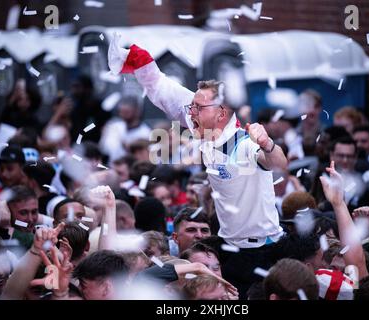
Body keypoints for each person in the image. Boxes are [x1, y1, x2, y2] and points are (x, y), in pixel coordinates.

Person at [109, 38, 287, 297]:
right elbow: (161, 87)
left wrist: (268, 143)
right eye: (192, 105)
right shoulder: (201, 121)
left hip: (263, 250)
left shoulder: (243, 144)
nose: (190, 112)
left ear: (221, 114)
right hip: (227, 246)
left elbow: (279, 164)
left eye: (198, 108)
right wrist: (134, 59)